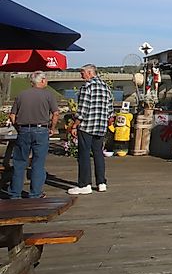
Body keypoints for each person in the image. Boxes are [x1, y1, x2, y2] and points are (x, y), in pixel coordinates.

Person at [8, 71, 59, 199]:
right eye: (45, 79)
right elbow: (56, 113)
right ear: (41, 81)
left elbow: (12, 115)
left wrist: (18, 128)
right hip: (41, 130)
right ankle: (35, 193)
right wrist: (52, 128)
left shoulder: (21, 94)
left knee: (19, 162)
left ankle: (15, 193)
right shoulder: (48, 95)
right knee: (38, 162)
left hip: (24, 130)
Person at [68, 64, 113, 195]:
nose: (81, 75)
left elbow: (83, 109)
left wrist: (75, 125)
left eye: (82, 73)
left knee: (84, 155)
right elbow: (110, 110)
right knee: (98, 154)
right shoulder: (106, 87)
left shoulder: (87, 87)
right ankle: (101, 182)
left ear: (89, 73)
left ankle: (84, 184)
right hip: (100, 126)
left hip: (87, 126)